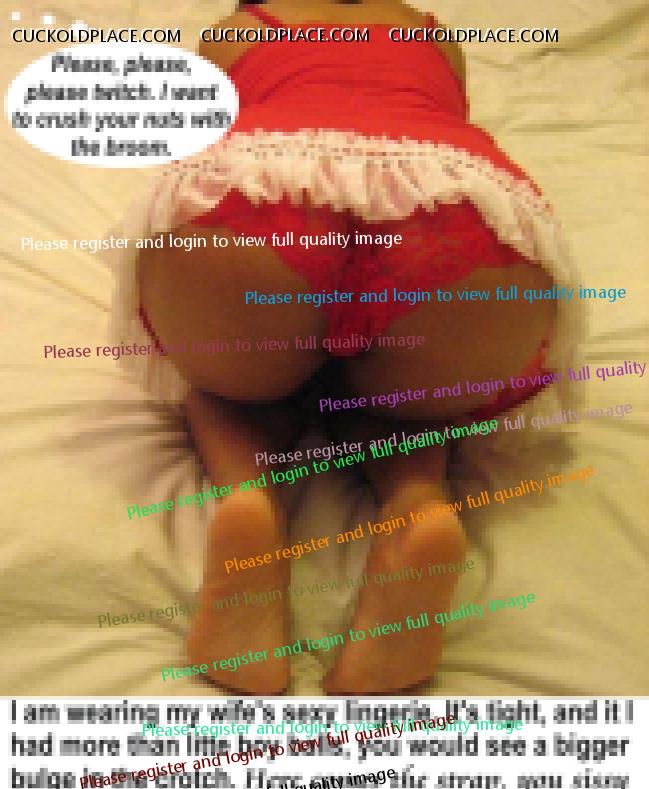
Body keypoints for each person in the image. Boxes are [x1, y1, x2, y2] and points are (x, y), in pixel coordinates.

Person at [115, 0, 576, 694]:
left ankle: (249, 502)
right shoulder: (430, 34)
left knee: (225, 387)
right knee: (404, 404)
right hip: (453, 210)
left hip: (262, 198)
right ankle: (417, 503)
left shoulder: (242, 28)